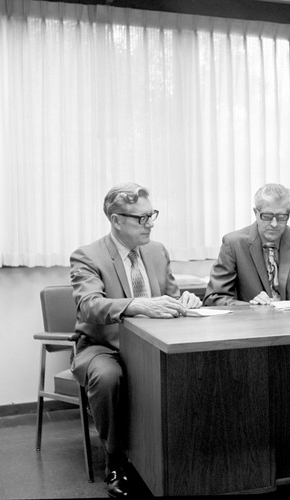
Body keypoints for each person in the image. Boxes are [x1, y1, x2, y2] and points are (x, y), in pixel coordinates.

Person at [70, 182, 202, 498]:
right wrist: (135, 304)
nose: (151, 223)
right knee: (107, 377)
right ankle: (115, 462)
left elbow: (169, 298)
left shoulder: (157, 251)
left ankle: (183, 457)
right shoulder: (87, 255)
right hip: (104, 347)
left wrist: (183, 302)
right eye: (142, 218)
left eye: (151, 214)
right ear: (116, 220)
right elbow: (88, 305)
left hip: (152, 344)